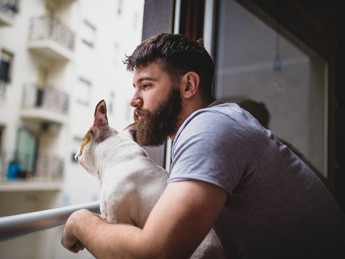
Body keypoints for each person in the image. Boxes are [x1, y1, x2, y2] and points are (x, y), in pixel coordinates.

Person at [61, 33, 345, 258]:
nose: (133, 100)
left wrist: (80, 221)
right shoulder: (218, 124)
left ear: (188, 86)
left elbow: (155, 253)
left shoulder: (209, 128)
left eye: (146, 86)